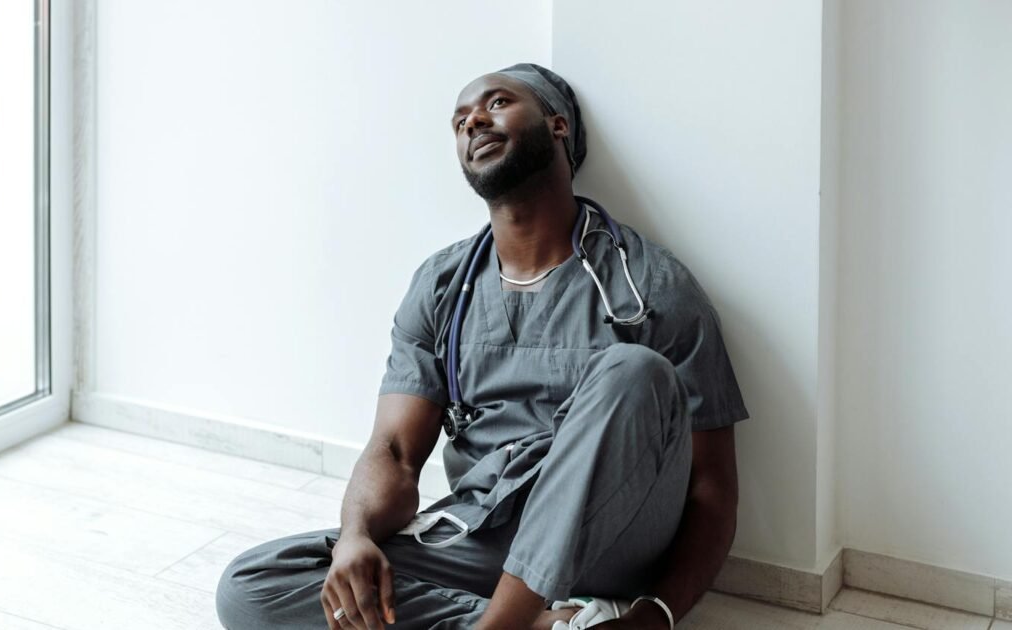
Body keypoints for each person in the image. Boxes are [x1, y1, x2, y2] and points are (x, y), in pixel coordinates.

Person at [216, 62, 750, 630]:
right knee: (254, 586)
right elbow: (394, 451)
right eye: (459, 121)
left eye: (495, 104)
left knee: (632, 370)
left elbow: (711, 488)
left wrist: (657, 613)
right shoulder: (441, 285)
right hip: (481, 534)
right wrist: (355, 537)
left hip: (608, 540)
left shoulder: (652, 287)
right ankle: (547, 624)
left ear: (558, 125)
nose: (472, 121)